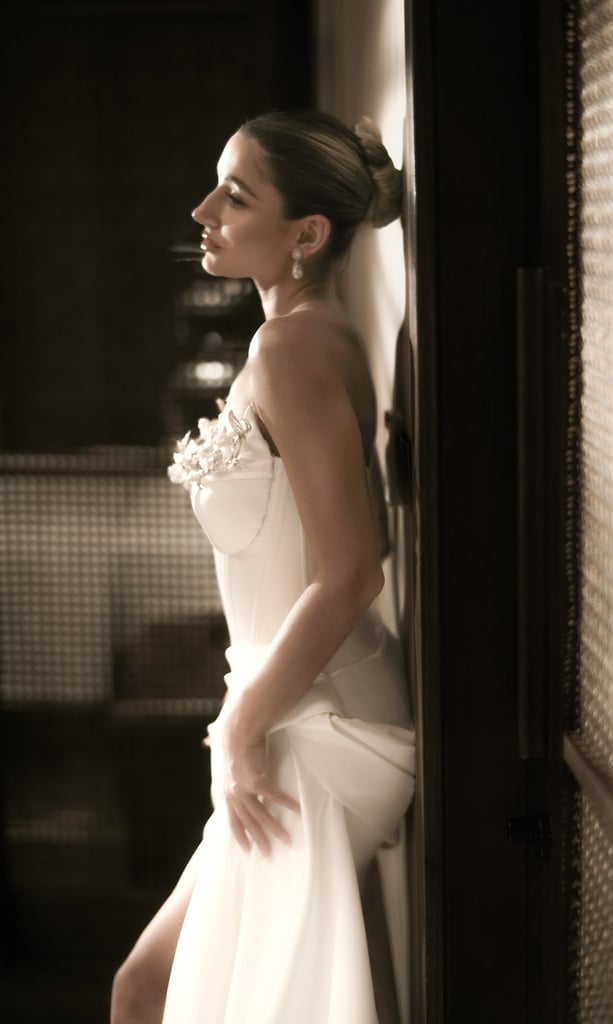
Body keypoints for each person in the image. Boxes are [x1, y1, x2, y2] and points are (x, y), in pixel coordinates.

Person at [110, 109, 416, 1024]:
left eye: (235, 196)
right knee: (148, 988)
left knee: (150, 994)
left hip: (314, 721)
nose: (203, 211)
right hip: (292, 696)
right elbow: (362, 537)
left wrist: (244, 724)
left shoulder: (294, 347)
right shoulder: (300, 337)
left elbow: (354, 571)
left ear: (306, 235)